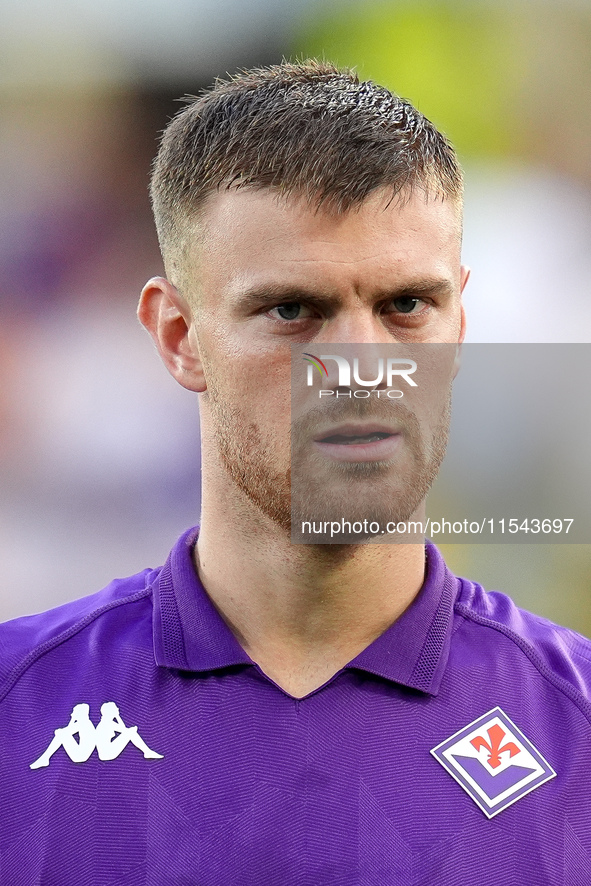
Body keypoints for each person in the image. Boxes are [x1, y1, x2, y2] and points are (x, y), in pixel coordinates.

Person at [0, 60, 589, 885]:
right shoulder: (19, 709)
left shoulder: (575, 730)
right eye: (292, 311)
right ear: (177, 336)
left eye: (405, 307)